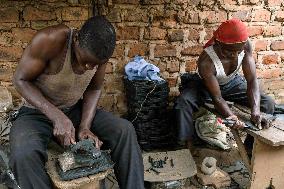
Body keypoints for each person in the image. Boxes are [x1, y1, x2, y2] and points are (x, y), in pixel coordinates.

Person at [10, 16, 144, 189]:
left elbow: (94, 89)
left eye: (94, 65)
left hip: (74, 109)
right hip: (36, 112)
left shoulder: (99, 55)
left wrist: (85, 126)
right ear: (76, 39)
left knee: (124, 130)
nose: (88, 67)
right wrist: (56, 116)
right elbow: (20, 80)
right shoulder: (51, 39)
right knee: (23, 154)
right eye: (85, 60)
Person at [175, 18, 275, 149]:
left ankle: (251, 147)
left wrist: (255, 111)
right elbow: (217, 98)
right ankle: (186, 146)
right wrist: (231, 116)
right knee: (184, 102)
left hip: (231, 82)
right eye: (229, 51)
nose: (234, 55)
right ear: (218, 43)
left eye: (237, 52)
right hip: (205, 85)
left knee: (267, 102)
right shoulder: (206, 61)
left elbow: (251, 80)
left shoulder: (245, 46)